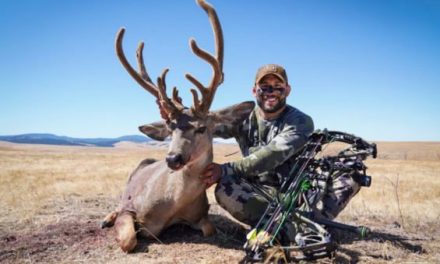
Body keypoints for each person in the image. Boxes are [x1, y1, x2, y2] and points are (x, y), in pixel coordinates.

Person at [202, 64, 361, 227]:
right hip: (258, 192)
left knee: (350, 172)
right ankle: (285, 226)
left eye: (278, 87)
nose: (271, 92)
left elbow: (272, 154)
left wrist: (225, 169)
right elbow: (203, 124)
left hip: (299, 195)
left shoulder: (300, 121)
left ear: (287, 90)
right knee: (226, 188)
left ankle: (316, 220)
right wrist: (180, 114)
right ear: (254, 90)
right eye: (264, 87)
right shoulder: (242, 118)